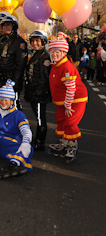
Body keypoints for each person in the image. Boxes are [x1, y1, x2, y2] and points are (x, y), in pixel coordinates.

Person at [48, 35, 88, 164]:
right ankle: (64, 143)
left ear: (64, 52)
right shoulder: (56, 64)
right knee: (60, 120)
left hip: (75, 100)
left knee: (70, 122)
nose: (54, 54)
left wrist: (68, 105)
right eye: (52, 51)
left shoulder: (66, 67)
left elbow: (71, 88)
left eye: (57, 51)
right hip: (65, 100)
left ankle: (72, 147)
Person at [0, 15, 27, 110]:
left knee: (13, 107)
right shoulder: (0, 40)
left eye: (8, 25)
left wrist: (14, 82)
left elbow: (20, 65)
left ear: (13, 26)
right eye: (4, 25)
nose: (5, 27)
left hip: (10, 80)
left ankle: (18, 123)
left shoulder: (19, 42)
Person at [24, 30, 51, 151]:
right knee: (37, 117)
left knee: (40, 119)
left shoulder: (44, 57)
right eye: (33, 41)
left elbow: (44, 78)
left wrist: (37, 92)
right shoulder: (36, 54)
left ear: (43, 42)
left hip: (39, 94)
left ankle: (40, 142)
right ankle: (37, 140)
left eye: (37, 41)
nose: (34, 43)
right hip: (33, 92)